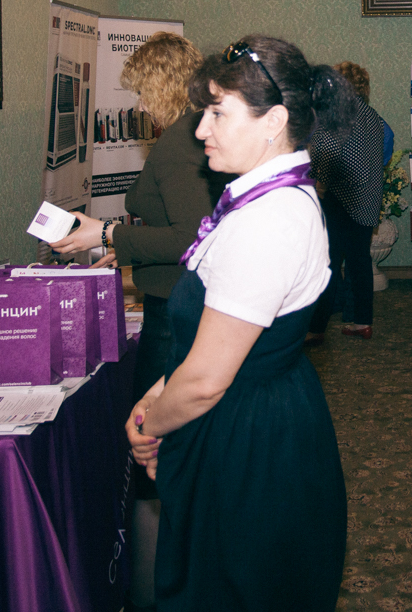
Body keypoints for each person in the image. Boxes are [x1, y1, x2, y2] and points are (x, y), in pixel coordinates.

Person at [126, 35, 349, 611]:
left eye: (218, 113)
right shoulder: (257, 201)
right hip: (250, 415)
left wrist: (151, 423)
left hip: (247, 438)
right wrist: (157, 393)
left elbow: (206, 380)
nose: (202, 129)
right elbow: (208, 338)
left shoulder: (269, 220)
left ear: (273, 121)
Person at [48, 31, 227, 609]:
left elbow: (190, 238)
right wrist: (122, 247)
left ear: (160, 85)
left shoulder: (178, 143)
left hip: (174, 315)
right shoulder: (194, 137)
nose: (140, 105)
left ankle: (155, 594)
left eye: (142, 92)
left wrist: (107, 234)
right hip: (177, 302)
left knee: (154, 453)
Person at [306, 60, 389, 342]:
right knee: (360, 262)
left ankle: (316, 328)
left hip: (339, 197)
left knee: (328, 263)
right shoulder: (373, 116)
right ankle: (362, 322)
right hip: (367, 199)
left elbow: (326, 152)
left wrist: (317, 183)